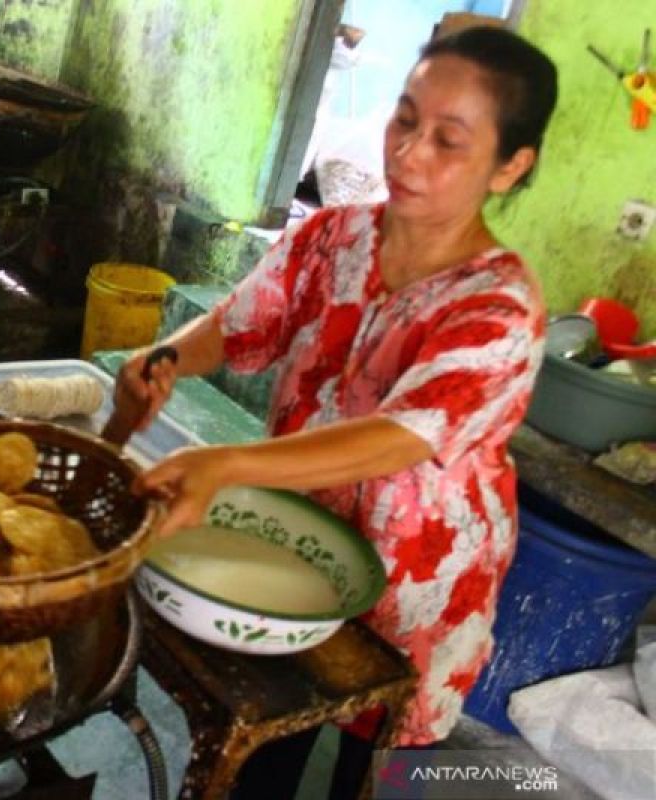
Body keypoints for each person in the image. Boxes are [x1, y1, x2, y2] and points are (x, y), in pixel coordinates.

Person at [114, 25, 558, 800]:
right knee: (275, 728)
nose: (409, 153)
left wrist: (224, 464)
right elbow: (243, 319)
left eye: (449, 141)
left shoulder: (501, 309)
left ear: (510, 166)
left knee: (378, 766)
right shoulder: (333, 236)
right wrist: (167, 360)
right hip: (297, 539)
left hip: (418, 581)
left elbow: (401, 438)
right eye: (405, 118)